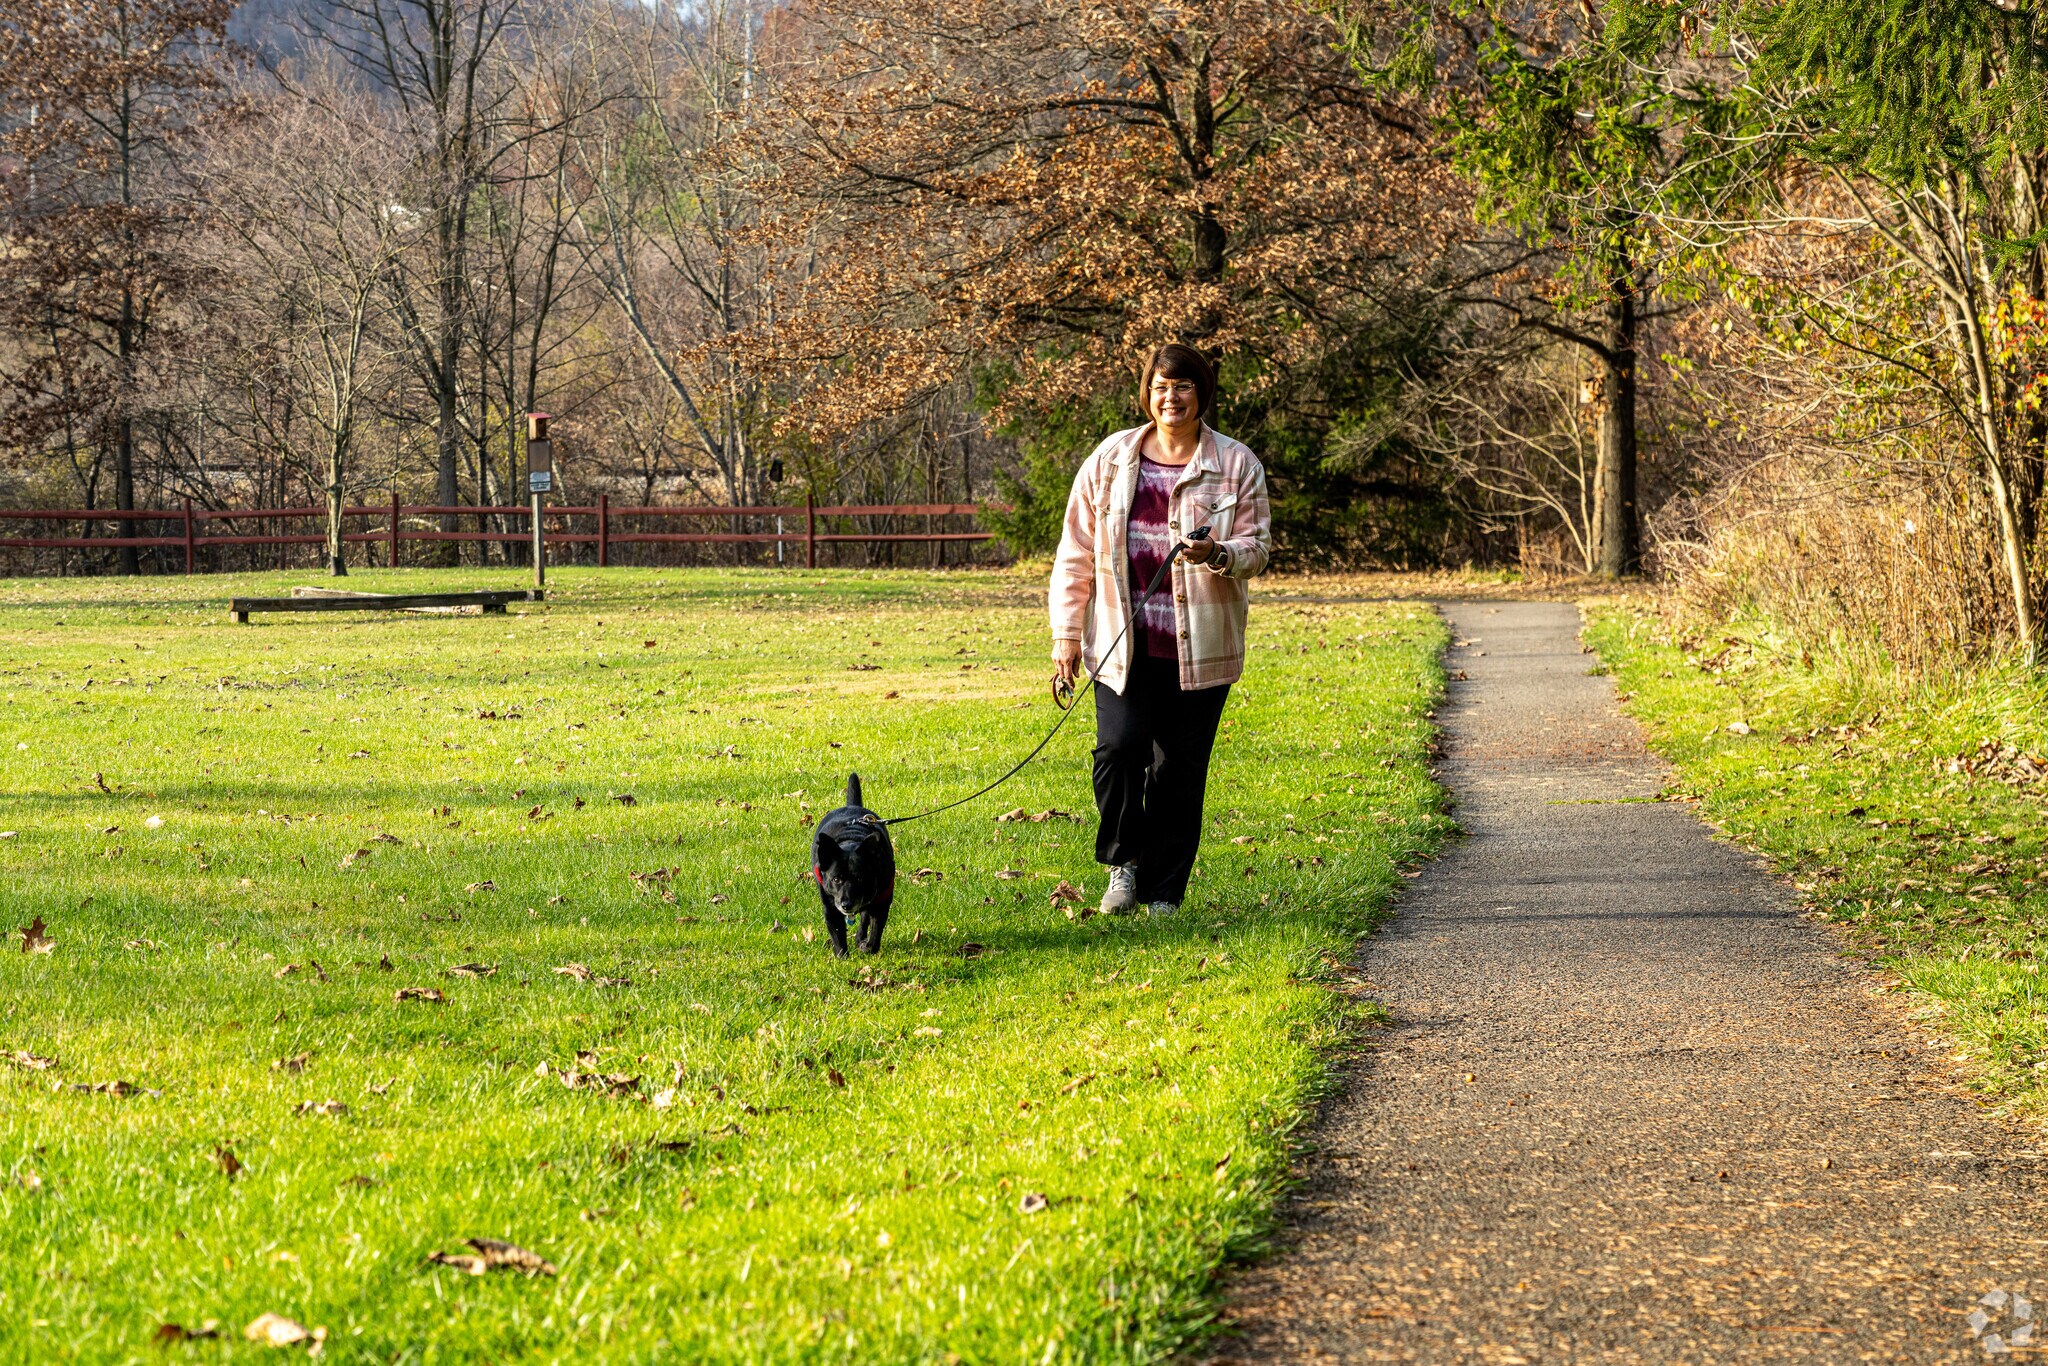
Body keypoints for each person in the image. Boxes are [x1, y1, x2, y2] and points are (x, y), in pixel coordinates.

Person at [1048, 343, 1272, 917]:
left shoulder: (1236, 463)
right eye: (1160, 387)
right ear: (1147, 393)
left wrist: (1218, 552)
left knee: (1178, 772)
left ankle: (1164, 893)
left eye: (1182, 387)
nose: (1169, 398)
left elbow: (1258, 548)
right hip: (1123, 645)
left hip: (1200, 646)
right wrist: (1066, 638)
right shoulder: (1111, 459)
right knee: (1119, 753)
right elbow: (1075, 552)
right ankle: (1125, 866)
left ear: (1202, 395)